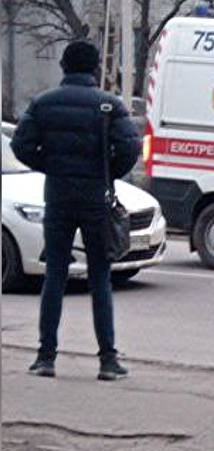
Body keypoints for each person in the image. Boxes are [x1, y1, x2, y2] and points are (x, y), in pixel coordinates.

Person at [11, 39, 140, 381]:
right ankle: (108, 360)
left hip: (58, 197)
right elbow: (130, 148)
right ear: (95, 68)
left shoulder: (44, 103)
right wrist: (107, 172)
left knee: (55, 274)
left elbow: (21, 145)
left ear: (64, 67)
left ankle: (45, 357)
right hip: (96, 199)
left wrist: (50, 165)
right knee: (100, 278)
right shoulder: (109, 106)